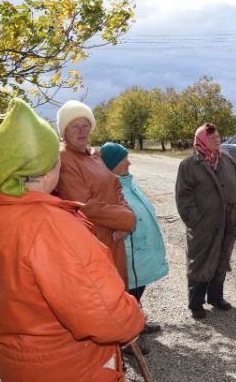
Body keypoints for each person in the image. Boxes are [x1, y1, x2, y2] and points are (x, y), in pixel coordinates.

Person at [0, 98, 144, 381]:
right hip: (70, 366)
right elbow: (107, 317)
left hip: (22, 362)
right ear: (50, 165)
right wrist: (133, 318)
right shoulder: (53, 226)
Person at [55, 100, 136, 286]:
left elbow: (116, 187)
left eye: (86, 125)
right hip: (94, 240)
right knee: (103, 294)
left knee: (119, 290)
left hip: (114, 236)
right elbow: (84, 205)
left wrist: (123, 223)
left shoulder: (93, 155)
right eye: (75, 126)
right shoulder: (65, 159)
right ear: (64, 131)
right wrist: (126, 219)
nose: (82, 131)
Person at [175, 123, 236, 319]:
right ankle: (196, 303)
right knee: (200, 261)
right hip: (203, 226)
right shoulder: (189, 165)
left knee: (222, 259)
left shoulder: (227, 160)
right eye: (212, 137)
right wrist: (196, 221)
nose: (217, 139)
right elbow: (184, 198)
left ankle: (216, 297)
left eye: (218, 136)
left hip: (229, 221)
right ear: (201, 140)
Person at [100, 142, 169, 334]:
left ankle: (136, 322)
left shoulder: (127, 182)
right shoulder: (109, 187)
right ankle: (128, 334)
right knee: (128, 293)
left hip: (141, 250)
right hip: (130, 252)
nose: (129, 163)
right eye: (124, 160)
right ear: (112, 164)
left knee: (136, 291)